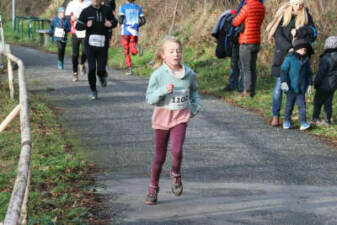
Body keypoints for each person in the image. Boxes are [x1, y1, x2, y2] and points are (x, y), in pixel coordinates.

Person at [145, 36, 202, 205]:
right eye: (171, 51)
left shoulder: (189, 74)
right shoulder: (158, 75)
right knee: (159, 157)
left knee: (176, 150)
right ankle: (153, 188)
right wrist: (163, 90)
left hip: (180, 118)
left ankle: (175, 174)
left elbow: (194, 93)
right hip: (162, 119)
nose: (176, 54)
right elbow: (150, 98)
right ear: (163, 55)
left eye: (178, 51)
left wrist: (195, 107)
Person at [266, 0, 316, 126]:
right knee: (279, 87)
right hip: (283, 56)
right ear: (291, 3)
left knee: (297, 88)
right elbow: (278, 35)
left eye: (301, 4)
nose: (298, 7)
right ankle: (276, 116)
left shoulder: (307, 16)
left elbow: (312, 34)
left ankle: (292, 118)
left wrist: (299, 34)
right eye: (296, 4)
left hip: (300, 58)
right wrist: (289, 47)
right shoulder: (284, 15)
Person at [76, 0, 118, 100]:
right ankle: (93, 90)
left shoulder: (107, 10)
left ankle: (101, 76)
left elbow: (115, 22)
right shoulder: (86, 11)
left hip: (103, 45)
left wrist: (110, 24)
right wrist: (86, 25)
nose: (95, 0)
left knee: (100, 69)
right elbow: (78, 26)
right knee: (91, 68)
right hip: (89, 45)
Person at [232, 0, 265, 97]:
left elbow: (235, 21)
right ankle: (252, 90)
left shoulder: (247, 7)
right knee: (253, 67)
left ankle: (247, 91)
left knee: (245, 67)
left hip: (246, 40)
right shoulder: (262, 7)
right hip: (256, 40)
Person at [280, 39, 313, 130]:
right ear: (296, 49)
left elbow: (309, 74)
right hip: (290, 88)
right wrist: (283, 82)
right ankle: (286, 121)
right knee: (289, 106)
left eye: (304, 48)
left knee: (302, 106)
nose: (303, 50)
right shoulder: (289, 59)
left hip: (301, 89)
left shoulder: (306, 60)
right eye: (301, 48)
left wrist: (310, 84)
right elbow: (283, 71)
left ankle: (303, 122)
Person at [311, 36, 337, 125]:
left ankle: (315, 118)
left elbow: (321, 72)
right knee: (328, 103)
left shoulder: (326, 57)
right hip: (333, 84)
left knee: (317, 102)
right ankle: (327, 120)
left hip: (323, 84)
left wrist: (316, 83)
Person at [65, 0, 91, 82]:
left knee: (85, 51)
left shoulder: (89, 3)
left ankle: (82, 63)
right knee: (75, 54)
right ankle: (75, 73)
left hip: (85, 31)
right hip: (75, 31)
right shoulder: (72, 3)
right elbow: (66, 16)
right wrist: (70, 18)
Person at [119, 0, 146, 75]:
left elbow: (120, 20)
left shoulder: (123, 7)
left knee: (126, 51)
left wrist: (122, 24)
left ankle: (130, 69)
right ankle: (136, 48)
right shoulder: (138, 7)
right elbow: (144, 20)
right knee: (133, 50)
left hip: (125, 31)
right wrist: (137, 25)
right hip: (134, 31)